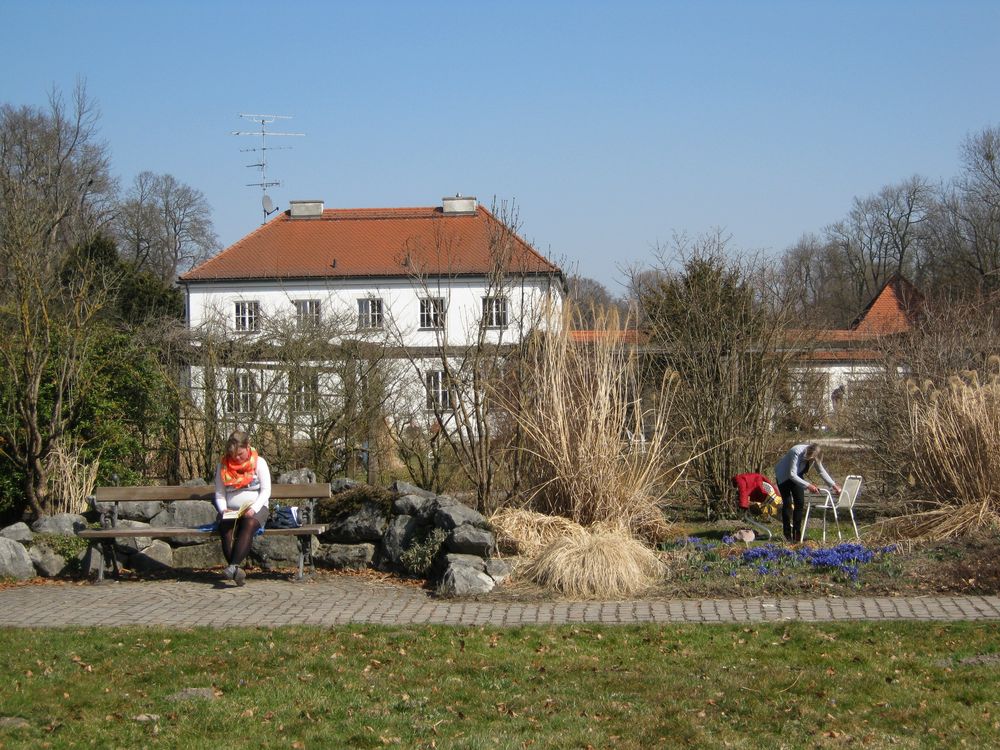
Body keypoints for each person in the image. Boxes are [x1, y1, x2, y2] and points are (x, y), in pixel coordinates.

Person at [214, 430, 271, 585]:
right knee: (225, 526)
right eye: (233, 455)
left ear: (248, 447)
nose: (237, 458)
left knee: (249, 523)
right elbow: (220, 493)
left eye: (240, 454)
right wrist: (223, 509)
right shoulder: (222, 466)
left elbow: (266, 491)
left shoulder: (259, 463)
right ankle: (236, 570)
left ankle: (232, 566)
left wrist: (254, 508)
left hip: (256, 508)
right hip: (231, 509)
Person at [774, 443, 841, 543]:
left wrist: (833, 485)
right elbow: (792, 474)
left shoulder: (815, 454)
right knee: (787, 503)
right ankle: (787, 534)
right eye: (810, 459)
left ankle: (797, 533)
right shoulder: (796, 451)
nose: (811, 461)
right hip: (784, 476)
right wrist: (808, 485)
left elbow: (821, 471)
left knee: (800, 503)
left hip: (797, 475)